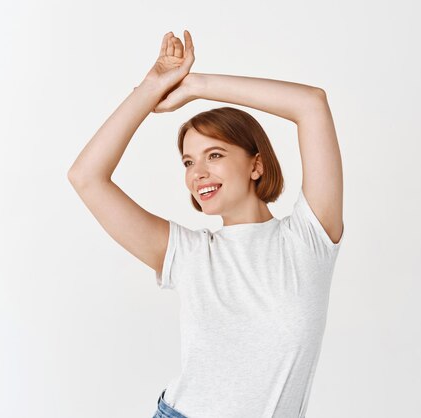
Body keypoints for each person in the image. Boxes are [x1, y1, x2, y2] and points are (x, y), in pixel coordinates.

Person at [68, 30, 344, 418]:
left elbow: (311, 104)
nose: (198, 172)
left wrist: (197, 86)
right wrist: (151, 88)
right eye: (188, 161)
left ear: (256, 164)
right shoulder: (188, 254)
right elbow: (86, 176)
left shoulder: (308, 239)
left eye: (214, 154)